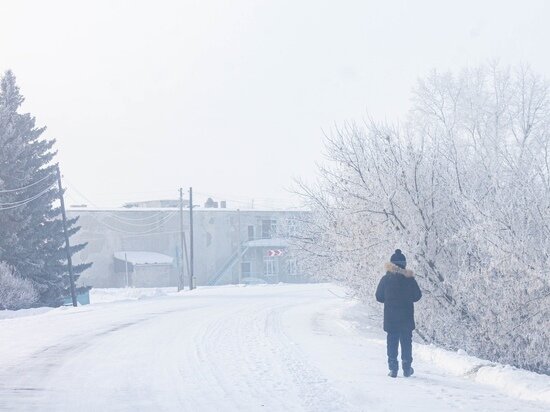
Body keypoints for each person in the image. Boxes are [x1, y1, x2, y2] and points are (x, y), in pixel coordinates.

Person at [375, 249, 422, 378]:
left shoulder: (386, 279)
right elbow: (417, 296)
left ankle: (393, 368)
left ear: (392, 264)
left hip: (391, 318)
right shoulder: (409, 279)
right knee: (407, 342)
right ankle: (407, 368)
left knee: (392, 342)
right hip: (406, 317)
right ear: (404, 264)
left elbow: (379, 297)